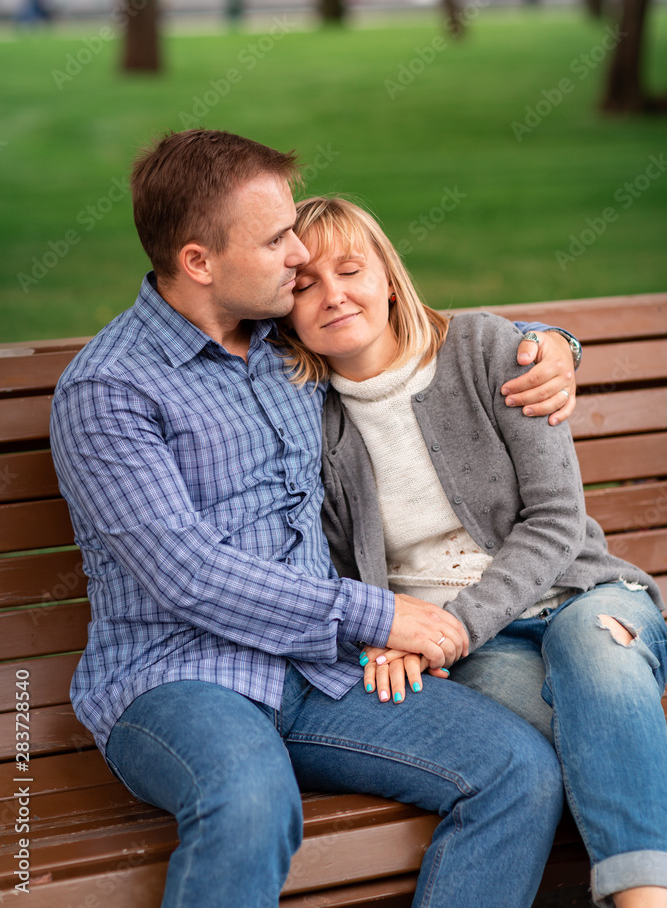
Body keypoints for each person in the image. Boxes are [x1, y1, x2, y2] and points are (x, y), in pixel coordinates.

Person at [51, 130, 580, 908]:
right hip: (179, 679)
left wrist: (549, 345)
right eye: (275, 240)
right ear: (199, 262)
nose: (299, 254)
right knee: (251, 801)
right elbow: (188, 577)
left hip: (318, 673)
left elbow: (422, 336)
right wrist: (378, 614)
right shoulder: (110, 391)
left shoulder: (285, 345)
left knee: (516, 771)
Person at [279, 194, 667, 908]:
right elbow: (332, 566)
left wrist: (453, 625)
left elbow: (554, 521)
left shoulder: (488, 350)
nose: (332, 295)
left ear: (388, 278)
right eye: (303, 285)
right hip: (468, 649)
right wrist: (397, 632)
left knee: (594, 652)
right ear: (284, 307)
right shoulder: (308, 418)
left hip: (577, 594)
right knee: (573, 740)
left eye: (350, 270)